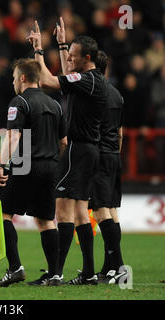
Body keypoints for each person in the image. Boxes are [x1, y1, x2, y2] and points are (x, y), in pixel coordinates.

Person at [28, 20, 108, 285]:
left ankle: (55, 273)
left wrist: (39, 50)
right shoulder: (90, 80)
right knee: (81, 214)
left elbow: (50, 80)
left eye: (73, 56)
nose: (69, 60)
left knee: (62, 211)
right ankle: (88, 273)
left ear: (87, 58)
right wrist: (62, 44)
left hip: (77, 150)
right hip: (89, 150)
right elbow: (66, 76)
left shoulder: (88, 80)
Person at [0, 58, 67, 287]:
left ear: (23, 78)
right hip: (52, 166)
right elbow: (63, 141)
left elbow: (13, 136)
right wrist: (53, 163)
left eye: (15, 77)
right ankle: (55, 274)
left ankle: (15, 268)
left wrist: (0, 165)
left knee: (2, 213)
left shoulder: (19, 102)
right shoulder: (55, 104)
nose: (14, 81)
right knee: (46, 220)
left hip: (26, 164)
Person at [90, 50, 126, 284]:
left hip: (100, 155)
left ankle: (121, 267)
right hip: (114, 155)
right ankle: (107, 268)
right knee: (111, 212)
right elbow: (120, 133)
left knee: (100, 211)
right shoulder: (117, 94)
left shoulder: (95, 92)